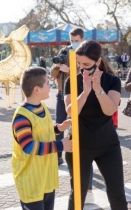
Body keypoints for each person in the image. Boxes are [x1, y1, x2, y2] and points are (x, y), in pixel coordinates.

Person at [63, 40, 127, 209]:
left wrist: (98, 90)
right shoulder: (72, 81)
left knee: (117, 193)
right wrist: (85, 92)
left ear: (98, 61)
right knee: (78, 194)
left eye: (86, 64)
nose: (82, 68)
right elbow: (71, 111)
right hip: (79, 144)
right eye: (78, 63)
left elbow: (110, 110)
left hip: (108, 145)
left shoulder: (112, 80)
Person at [11, 67, 72, 210]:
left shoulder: (42, 107)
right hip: (30, 181)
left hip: (46, 178)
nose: (51, 86)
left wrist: (58, 128)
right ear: (37, 90)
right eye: (47, 83)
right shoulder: (22, 116)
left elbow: (41, 129)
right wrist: (60, 145)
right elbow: (29, 146)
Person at [50, 27, 84, 165]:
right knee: (60, 124)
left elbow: (85, 73)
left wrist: (69, 70)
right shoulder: (64, 51)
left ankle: (78, 153)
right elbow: (53, 74)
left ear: (82, 39)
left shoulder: (85, 52)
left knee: (77, 124)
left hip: (78, 94)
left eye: (76, 40)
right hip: (61, 93)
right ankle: (58, 155)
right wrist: (58, 66)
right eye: (72, 40)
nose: (74, 43)